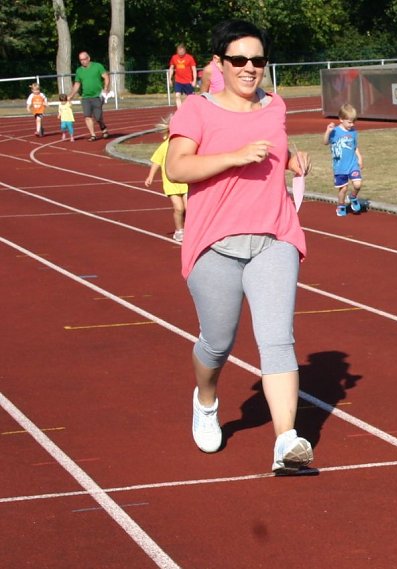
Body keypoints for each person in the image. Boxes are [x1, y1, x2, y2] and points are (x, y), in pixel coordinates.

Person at [165, 19, 313, 474]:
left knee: (278, 340)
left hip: (274, 236)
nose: (250, 68)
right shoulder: (196, 109)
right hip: (213, 241)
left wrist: (290, 159)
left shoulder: (276, 105)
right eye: (239, 60)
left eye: (258, 60)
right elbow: (177, 167)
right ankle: (206, 400)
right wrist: (234, 156)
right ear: (220, 63)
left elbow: (272, 147)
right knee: (217, 341)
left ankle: (286, 440)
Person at [144, 115, 188, 241]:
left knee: (189, 208)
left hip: (185, 181)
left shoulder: (185, 143)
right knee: (179, 208)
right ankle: (179, 230)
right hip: (171, 183)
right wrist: (150, 176)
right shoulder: (165, 145)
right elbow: (156, 161)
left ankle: (191, 229)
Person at [324, 103, 364, 217]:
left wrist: (360, 157)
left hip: (352, 164)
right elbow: (325, 142)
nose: (352, 125)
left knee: (357, 184)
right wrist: (328, 131)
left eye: (353, 122)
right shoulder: (335, 131)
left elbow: (354, 146)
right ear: (341, 119)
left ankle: (353, 197)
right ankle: (341, 205)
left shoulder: (353, 132)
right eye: (349, 122)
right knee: (343, 189)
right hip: (340, 166)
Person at [68, 51, 110, 141]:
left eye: (84, 59)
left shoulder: (97, 66)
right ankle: (93, 135)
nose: (83, 61)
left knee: (98, 117)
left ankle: (103, 127)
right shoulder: (79, 71)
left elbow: (106, 77)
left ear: (89, 58)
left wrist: (105, 88)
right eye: (81, 60)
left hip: (97, 96)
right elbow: (77, 84)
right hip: (85, 97)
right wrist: (71, 95)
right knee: (87, 116)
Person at [168, 43, 197, 108]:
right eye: (178, 51)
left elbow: (194, 69)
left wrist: (194, 80)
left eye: (181, 51)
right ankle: (180, 111)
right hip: (178, 81)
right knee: (177, 96)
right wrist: (169, 79)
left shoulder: (190, 58)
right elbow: (171, 68)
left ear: (184, 51)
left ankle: (192, 109)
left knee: (190, 97)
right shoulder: (174, 57)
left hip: (187, 81)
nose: (180, 52)